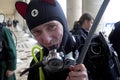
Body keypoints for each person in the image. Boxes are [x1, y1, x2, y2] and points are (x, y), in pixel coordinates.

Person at [15, 0, 118, 80]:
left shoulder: (97, 51)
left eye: (51, 27)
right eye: (37, 32)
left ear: (64, 24)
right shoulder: (37, 63)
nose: (46, 40)